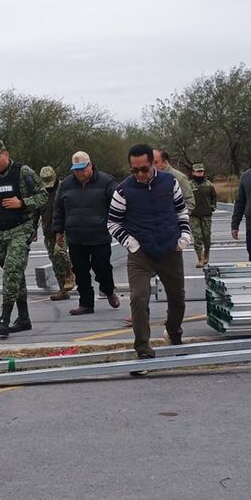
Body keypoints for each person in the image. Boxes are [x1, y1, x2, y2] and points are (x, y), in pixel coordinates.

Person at [108, 143, 191, 374]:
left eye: (144, 169)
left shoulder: (170, 182)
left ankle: (174, 333)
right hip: (141, 253)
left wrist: (184, 236)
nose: (140, 175)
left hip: (170, 249)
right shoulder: (123, 190)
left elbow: (180, 211)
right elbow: (113, 222)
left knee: (177, 298)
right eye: (134, 171)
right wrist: (131, 243)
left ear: (153, 164)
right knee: (138, 297)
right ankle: (143, 350)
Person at [0, 140, 48, 338]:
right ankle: (24, 317)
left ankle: (4, 318)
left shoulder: (23, 172)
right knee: (15, 275)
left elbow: (43, 195)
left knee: (11, 272)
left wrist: (23, 202)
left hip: (20, 229)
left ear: (6, 154)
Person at [53, 151, 120, 315]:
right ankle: (86, 303)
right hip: (76, 237)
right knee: (80, 271)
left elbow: (119, 204)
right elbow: (58, 209)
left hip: (99, 237)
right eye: (76, 170)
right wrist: (58, 231)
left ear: (90, 165)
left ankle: (109, 290)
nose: (79, 173)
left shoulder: (106, 181)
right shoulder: (66, 184)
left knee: (103, 268)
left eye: (82, 169)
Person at [35, 166, 74, 302]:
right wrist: (34, 229)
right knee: (55, 260)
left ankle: (70, 273)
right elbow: (36, 212)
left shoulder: (64, 188)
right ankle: (62, 289)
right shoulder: (41, 193)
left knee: (60, 253)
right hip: (48, 231)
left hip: (63, 229)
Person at [189, 162, 218, 267]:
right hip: (194, 215)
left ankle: (206, 254)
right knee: (197, 237)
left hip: (206, 214)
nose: (200, 174)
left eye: (201, 171)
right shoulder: (189, 184)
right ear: (193, 172)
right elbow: (186, 198)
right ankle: (200, 259)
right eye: (197, 172)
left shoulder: (209, 184)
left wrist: (213, 206)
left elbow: (214, 197)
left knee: (206, 236)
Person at [153, 148, 196, 213]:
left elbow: (189, 203)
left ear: (165, 162)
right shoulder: (146, 177)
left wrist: (178, 219)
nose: (151, 166)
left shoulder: (179, 178)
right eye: (149, 162)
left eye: (155, 162)